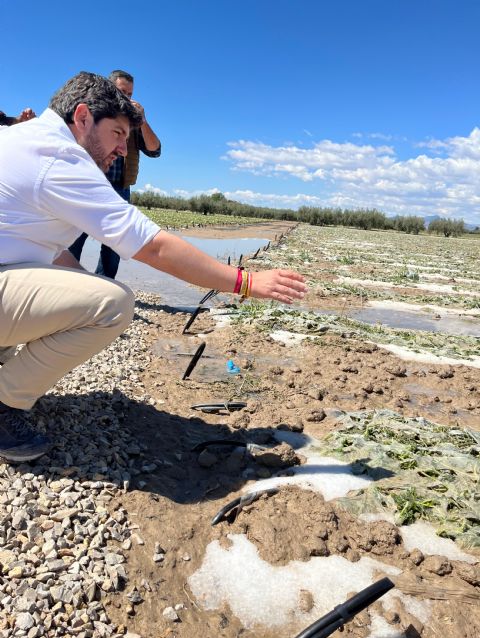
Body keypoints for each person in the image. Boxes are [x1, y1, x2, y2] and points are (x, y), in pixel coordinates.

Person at [0, 71, 306, 463]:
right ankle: (5, 404)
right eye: (117, 134)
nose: (124, 150)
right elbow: (153, 247)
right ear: (81, 118)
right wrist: (244, 281)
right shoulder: (61, 157)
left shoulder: (22, 139)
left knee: (87, 289)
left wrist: (80, 292)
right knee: (112, 304)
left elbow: (50, 252)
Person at [68, 70, 161, 278]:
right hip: (90, 183)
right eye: (122, 92)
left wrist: (142, 120)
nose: (127, 98)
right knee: (75, 235)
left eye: (130, 94)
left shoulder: (134, 123)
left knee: (115, 244)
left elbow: (155, 150)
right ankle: (68, 281)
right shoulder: (94, 114)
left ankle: (104, 286)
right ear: (109, 89)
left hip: (120, 188)